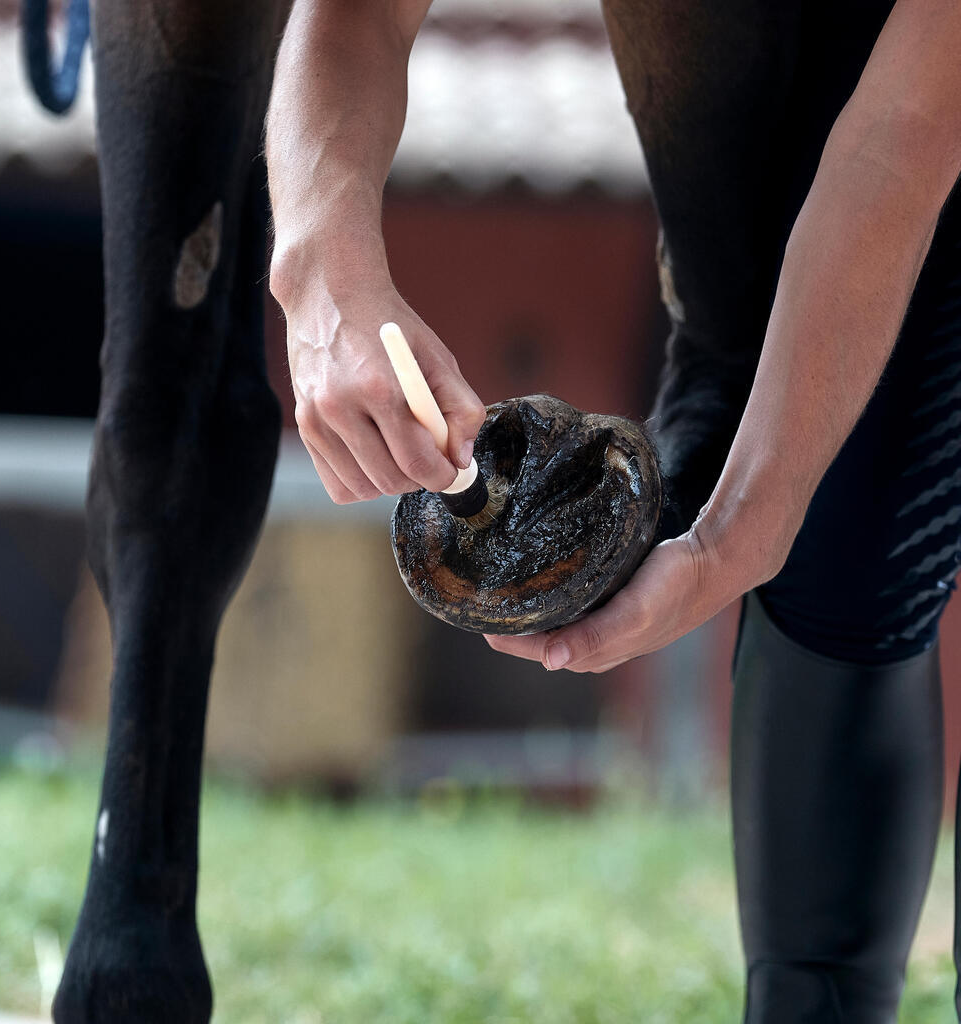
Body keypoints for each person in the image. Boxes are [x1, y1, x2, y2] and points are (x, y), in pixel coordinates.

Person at [265, 1, 961, 1019]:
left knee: (854, 528)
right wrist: (322, 272)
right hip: (734, 149)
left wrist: (741, 531)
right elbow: (355, 15)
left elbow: (900, 140)